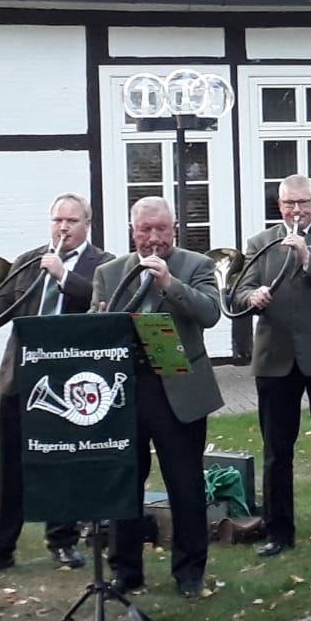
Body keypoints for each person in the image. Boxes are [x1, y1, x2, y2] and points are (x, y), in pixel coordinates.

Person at [0, 193, 112, 576]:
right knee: (10, 465)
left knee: (63, 462)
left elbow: (103, 301)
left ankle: (62, 542)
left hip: (70, 381)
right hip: (23, 376)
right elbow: (4, 300)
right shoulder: (30, 261)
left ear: (87, 225)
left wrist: (63, 275)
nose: (63, 227)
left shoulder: (103, 264)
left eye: (72, 221)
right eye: (57, 220)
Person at [92, 197, 223, 598]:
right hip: (128, 391)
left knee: (184, 484)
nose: (153, 238)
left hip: (178, 388)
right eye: (145, 230)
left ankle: (189, 573)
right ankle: (126, 572)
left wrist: (169, 283)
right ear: (132, 231)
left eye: (162, 229)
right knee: (124, 483)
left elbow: (210, 313)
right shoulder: (109, 271)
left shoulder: (195, 265)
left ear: (175, 228)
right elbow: (96, 330)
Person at [235, 175, 311, 557]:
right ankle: (278, 532)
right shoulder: (261, 243)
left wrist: (309, 259)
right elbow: (238, 289)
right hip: (277, 356)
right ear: (280, 206)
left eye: (303, 203)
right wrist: (250, 295)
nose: (296, 211)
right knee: (276, 450)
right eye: (289, 204)